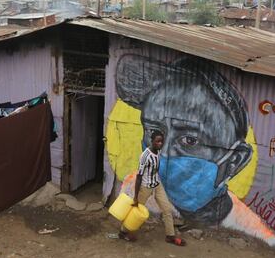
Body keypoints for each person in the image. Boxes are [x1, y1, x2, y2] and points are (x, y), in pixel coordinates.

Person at [116, 54, 275, 246]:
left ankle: (169, 235)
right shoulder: (132, 182)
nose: (165, 151)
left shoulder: (253, 229)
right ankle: (126, 231)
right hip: (150, 185)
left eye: (189, 140)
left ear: (233, 161)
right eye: (153, 131)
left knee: (165, 210)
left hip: (154, 187)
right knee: (141, 208)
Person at [119, 130, 186, 246]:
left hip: (157, 184)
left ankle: (170, 236)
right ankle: (123, 232)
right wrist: (135, 197)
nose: (160, 144)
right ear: (152, 141)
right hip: (145, 187)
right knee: (136, 210)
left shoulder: (158, 151)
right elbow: (139, 176)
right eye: (157, 141)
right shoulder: (145, 156)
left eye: (161, 141)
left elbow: (156, 167)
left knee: (167, 209)